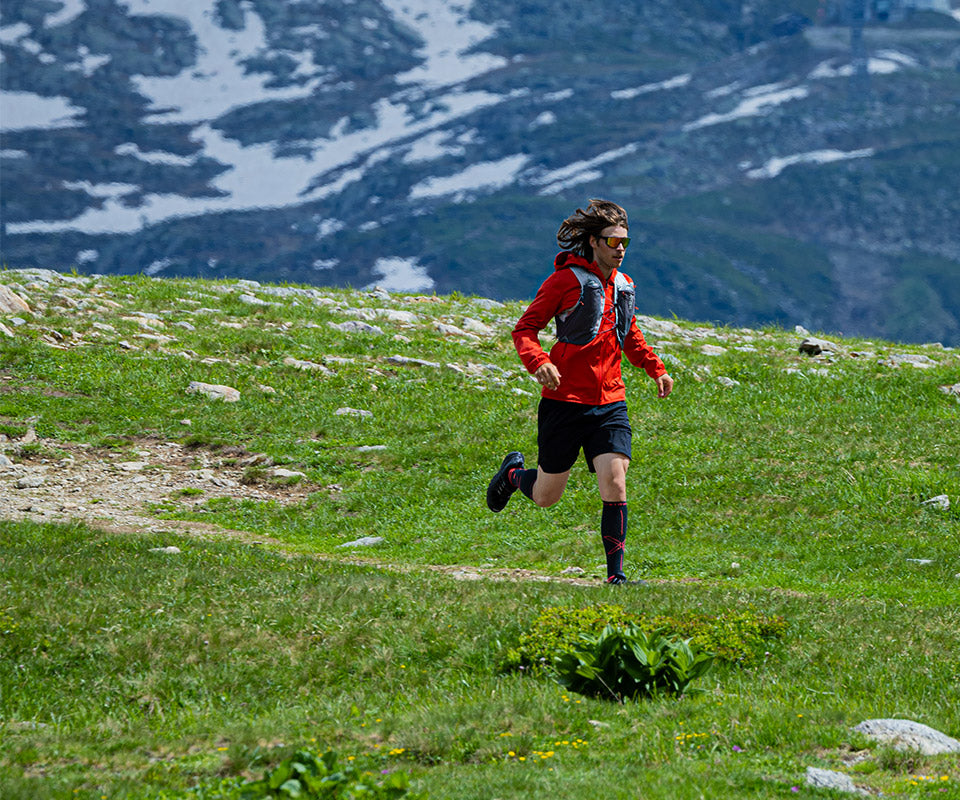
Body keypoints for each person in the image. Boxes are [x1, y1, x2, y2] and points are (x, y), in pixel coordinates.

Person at [486, 199, 673, 585]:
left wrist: (656, 368)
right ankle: (513, 474)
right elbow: (525, 329)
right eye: (612, 241)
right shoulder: (564, 281)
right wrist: (539, 362)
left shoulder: (625, 286)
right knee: (546, 496)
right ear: (592, 242)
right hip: (564, 404)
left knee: (615, 480)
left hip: (610, 402)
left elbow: (630, 336)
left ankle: (616, 577)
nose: (620, 248)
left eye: (625, 241)